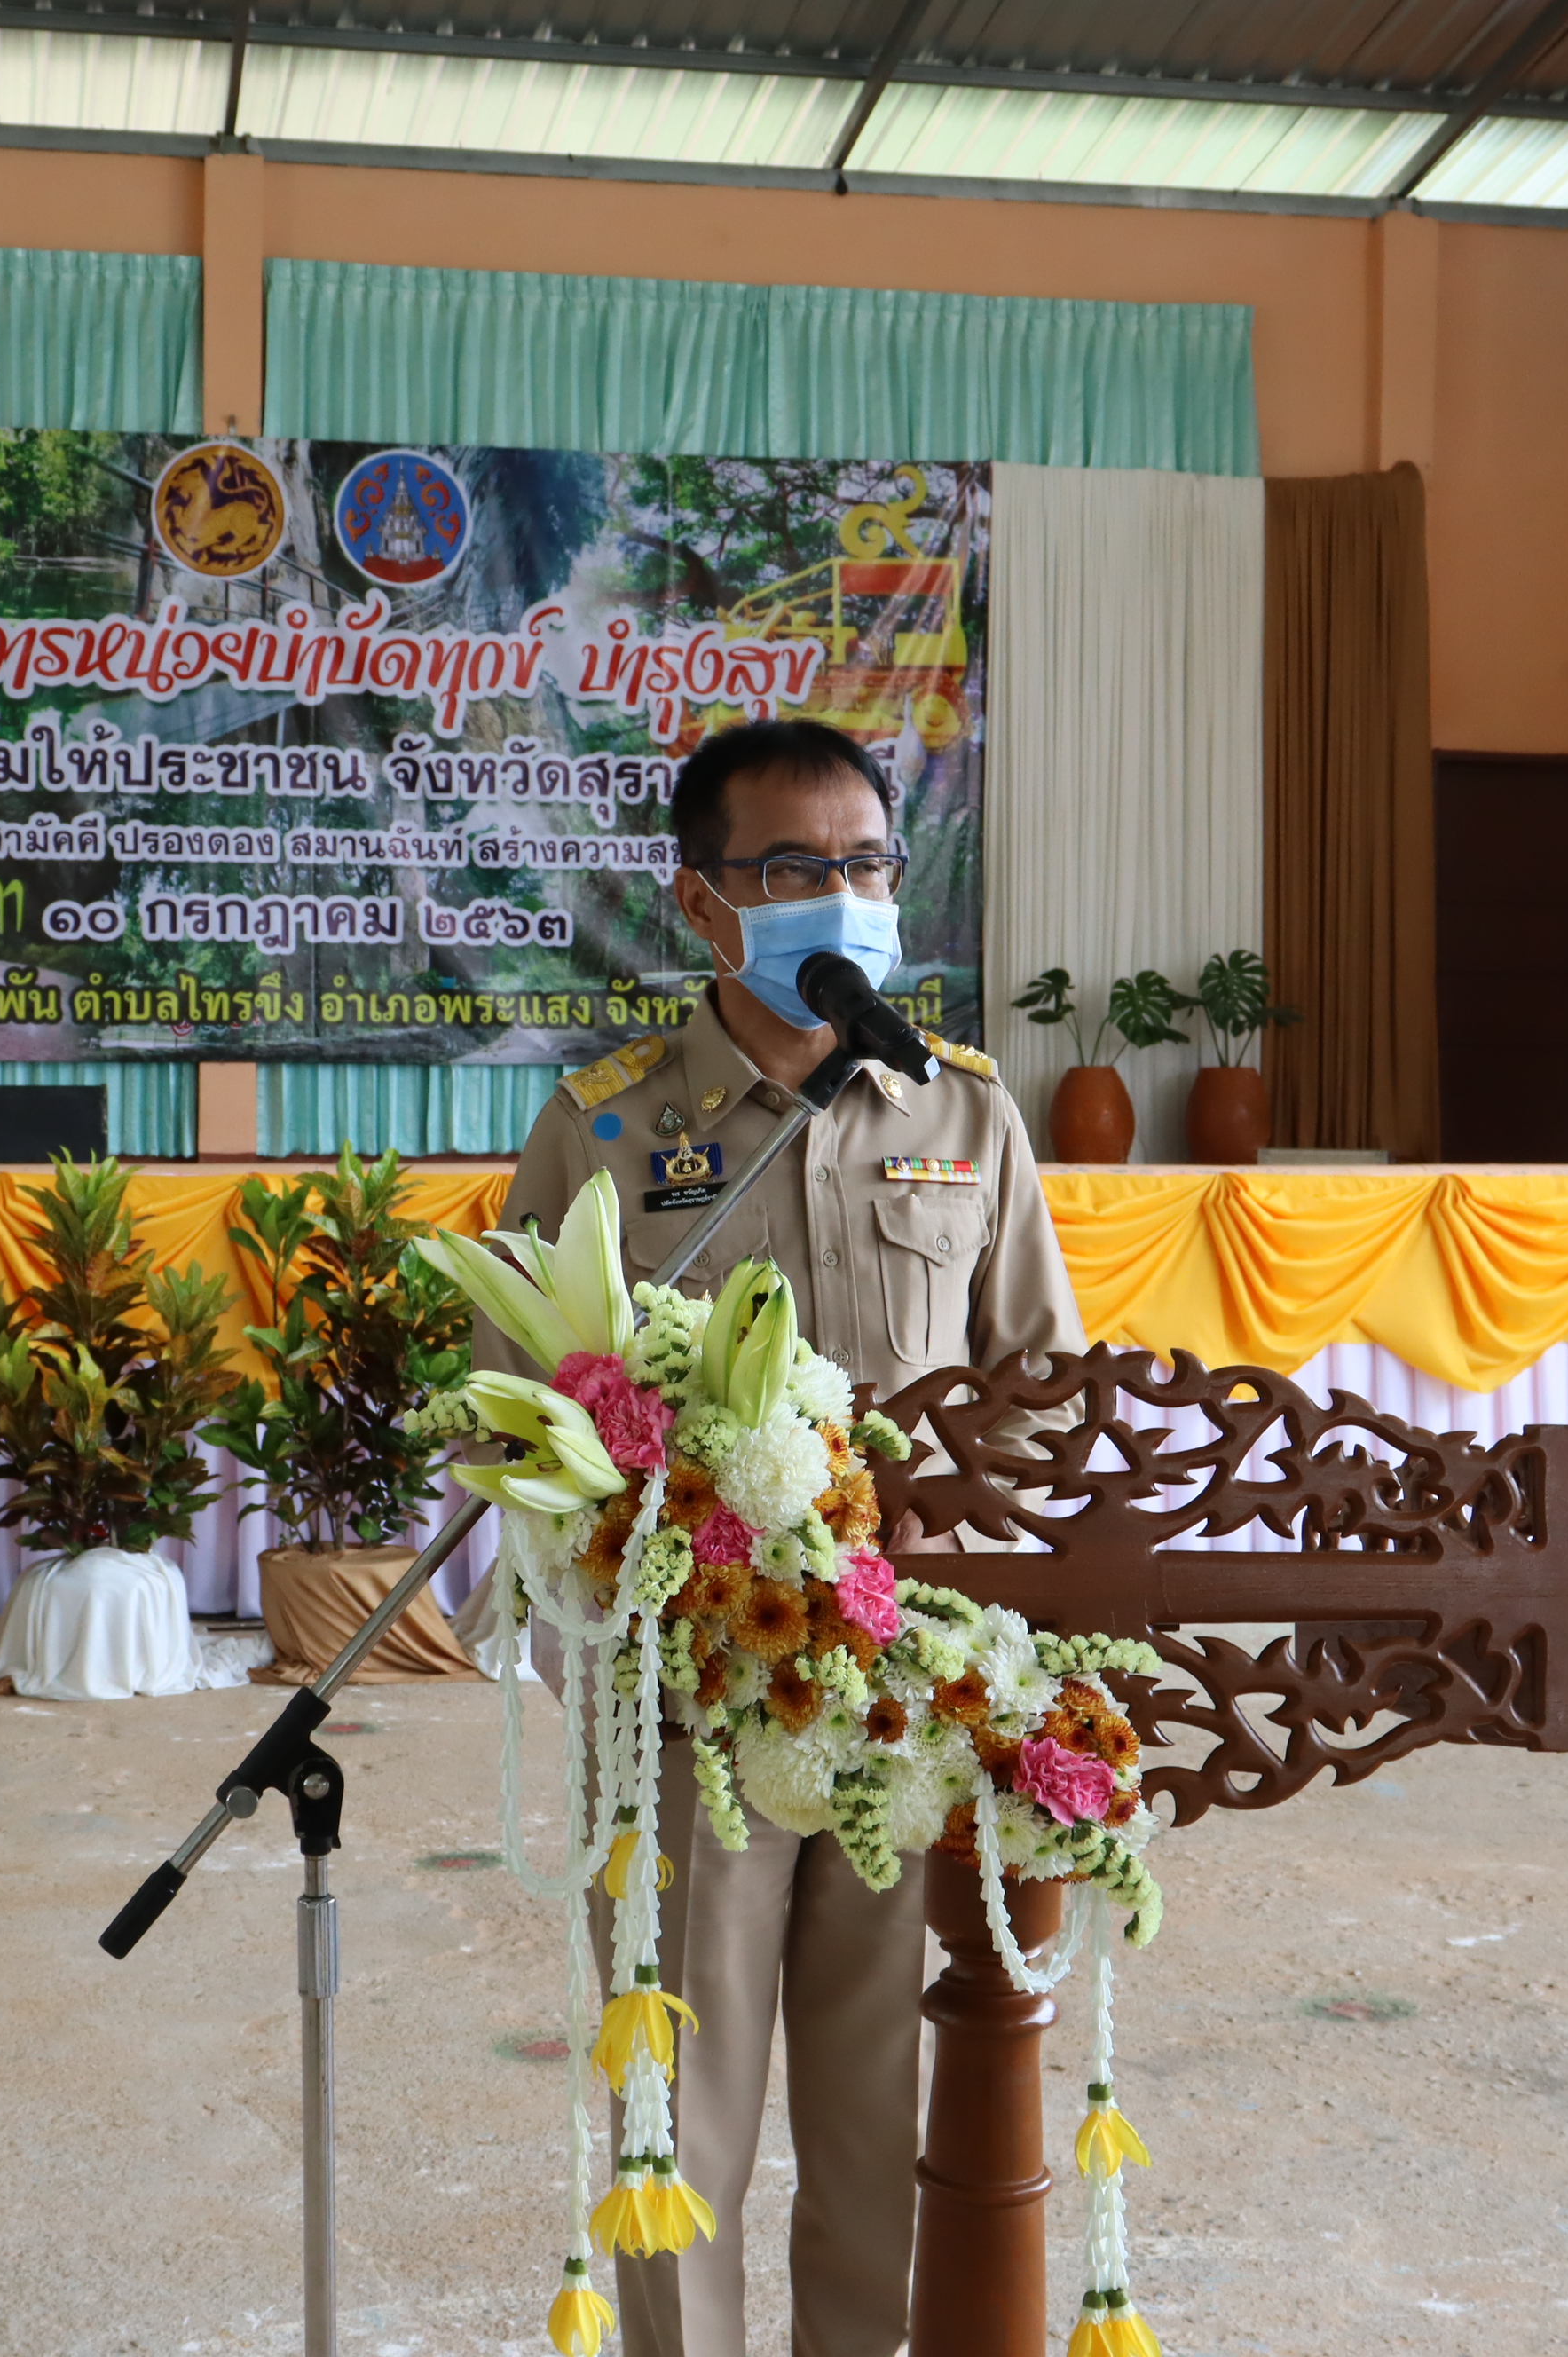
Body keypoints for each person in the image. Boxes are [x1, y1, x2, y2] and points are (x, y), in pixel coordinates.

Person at [491, 716, 1089, 2357]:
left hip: (905, 1705)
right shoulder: (604, 1132)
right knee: (681, 2116)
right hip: (694, 1703)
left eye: (867, 864)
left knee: (877, 2111)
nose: (844, 897)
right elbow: (520, 1420)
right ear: (701, 905)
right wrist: (623, 1603)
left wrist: (965, 1591)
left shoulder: (961, 1113)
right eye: (795, 870)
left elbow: (1043, 1390)